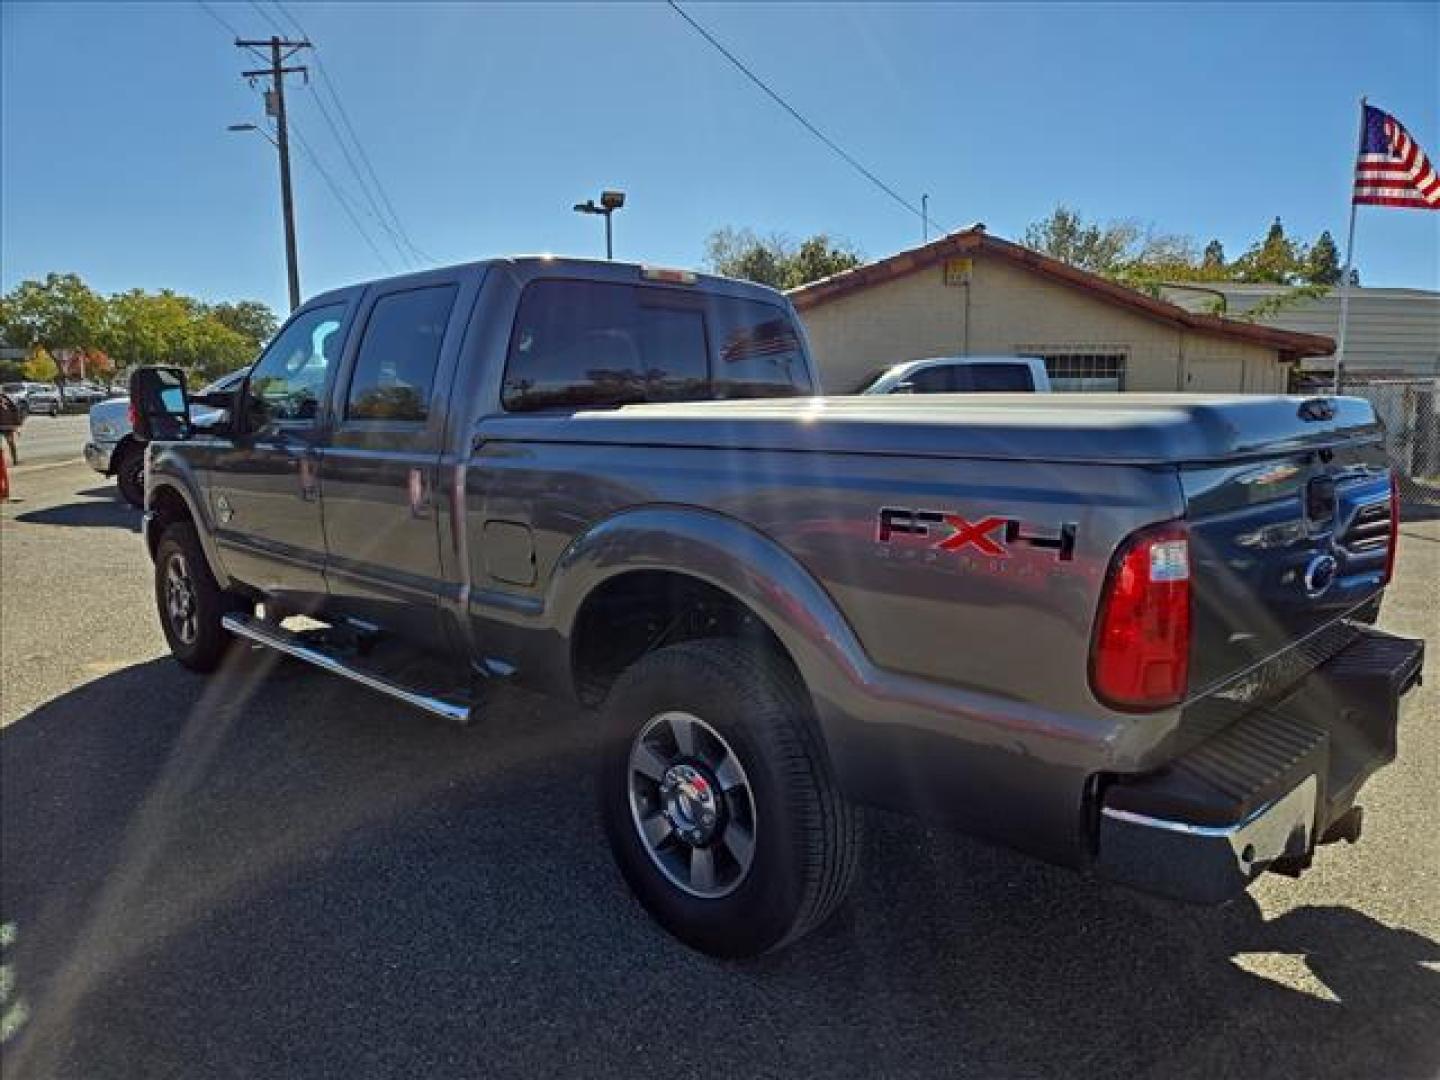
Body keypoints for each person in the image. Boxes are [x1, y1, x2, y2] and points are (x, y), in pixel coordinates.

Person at [0, 387, 22, 465]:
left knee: (11, 443)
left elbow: (15, 412)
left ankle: (15, 460)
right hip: (6, 426)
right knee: (10, 443)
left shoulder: (9, 402)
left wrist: (17, 426)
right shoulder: (8, 402)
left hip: (7, 427)